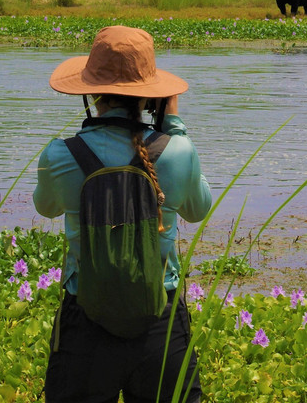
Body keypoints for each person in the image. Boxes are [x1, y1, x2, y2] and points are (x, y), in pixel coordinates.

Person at [34, 25, 212, 403]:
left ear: (92, 92)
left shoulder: (60, 154)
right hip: (160, 319)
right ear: (151, 98)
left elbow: (45, 207)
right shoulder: (178, 150)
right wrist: (175, 127)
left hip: (85, 319)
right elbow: (198, 210)